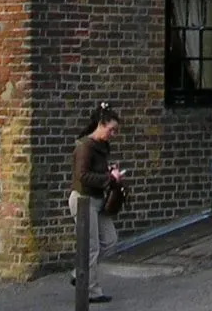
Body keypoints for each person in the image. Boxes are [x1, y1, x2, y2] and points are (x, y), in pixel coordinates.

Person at [69, 103, 124, 304]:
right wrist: (109, 177)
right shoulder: (85, 146)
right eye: (111, 130)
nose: (113, 134)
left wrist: (108, 171)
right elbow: (82, 175)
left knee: (109, 241)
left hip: (98, 200)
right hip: (84, 201)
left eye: (115, 131)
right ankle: (91, 290)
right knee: (91, 247)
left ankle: (79, 272)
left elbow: (96, 171)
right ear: (100, 124)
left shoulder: (101, 146)